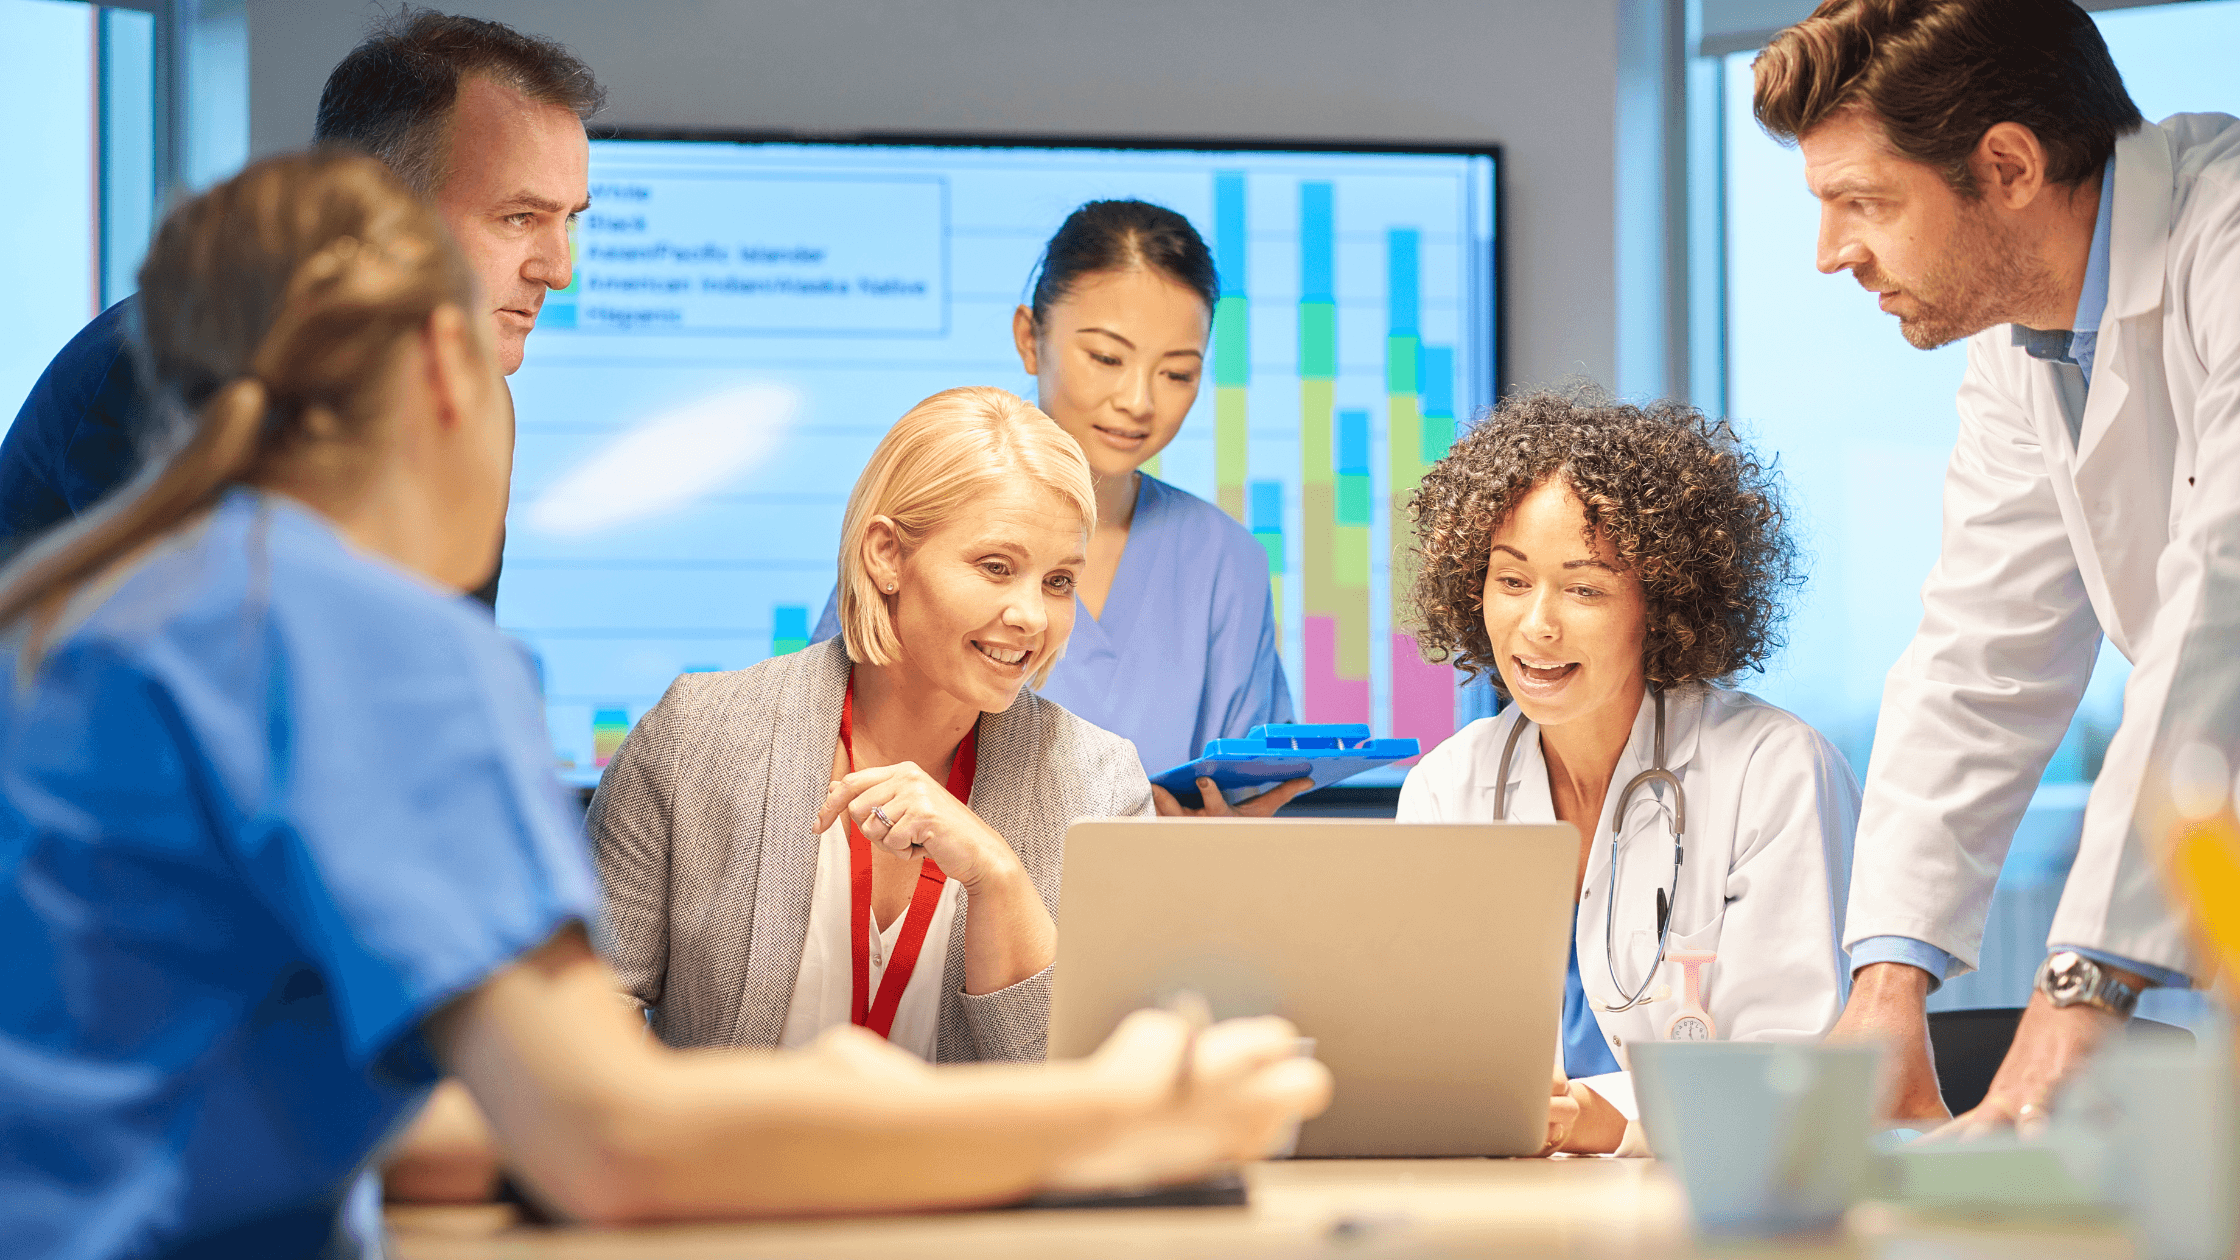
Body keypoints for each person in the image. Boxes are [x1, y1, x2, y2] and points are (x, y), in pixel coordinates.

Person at [0, 151, 1328, 1260]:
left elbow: (409, 1122)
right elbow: (604, 1139)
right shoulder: (373, 649)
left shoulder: (71, 638)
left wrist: (801, 1105)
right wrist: (1114, 1118)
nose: (1031, 615)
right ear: (453, 385)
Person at [1752, 0, 2240, 1134]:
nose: (1830, 256)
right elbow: (1980, 655)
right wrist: (1886, 987)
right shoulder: (2024, 344)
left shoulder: (2226, 241)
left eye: (1861, 203)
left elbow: (2221, 602)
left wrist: (2079, 989)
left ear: (2007, 165)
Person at [595, 387, 1159, 1060]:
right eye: (997, 567)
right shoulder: (696, 737)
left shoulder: (1103, 787)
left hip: (973, 1171)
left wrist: (998, 878)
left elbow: (1101, 1099)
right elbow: (580, 1035)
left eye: (1059, 582)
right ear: (886, 555)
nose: (1033, 617)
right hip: (731, 1168)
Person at [0, 9, 596, 609]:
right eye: (519, 218)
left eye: (567, 221)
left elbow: (437, 670)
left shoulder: (461, 396)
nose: (559, 270)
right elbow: (219, 680)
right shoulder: (169, 367)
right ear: (377, 206)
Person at [1396, 390, 1855, 1156]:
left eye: (1585, 588)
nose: (1538, 623)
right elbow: (1424, 1052)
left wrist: (1615, 1127)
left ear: (1664, 601)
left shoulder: (1771, 771)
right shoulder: (1447, 786)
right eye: (1511, 581)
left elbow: (1793, 1064)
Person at [813, 201, 1307, 814]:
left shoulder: (1223, 561)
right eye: (1105, 358)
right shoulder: (926, 522)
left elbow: (1238, 801)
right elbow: (826, 761)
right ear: (1030, 337)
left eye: (1177, 373)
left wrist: (1211, 842)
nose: (1137, 401)